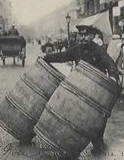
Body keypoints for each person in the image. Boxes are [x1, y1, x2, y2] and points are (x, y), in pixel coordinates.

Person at [42, 26, 120, 155]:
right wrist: (46, 57)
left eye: (85, 35)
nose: (83, 38)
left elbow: (109, 63)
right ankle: (72, 141)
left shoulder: (98, 50)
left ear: (91, 36)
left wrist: (113, 76)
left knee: (99, 116)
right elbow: (63, 55)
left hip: (96, 89)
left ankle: (98, 142)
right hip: (80, 87)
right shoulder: (77, 49)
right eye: (81, 35)